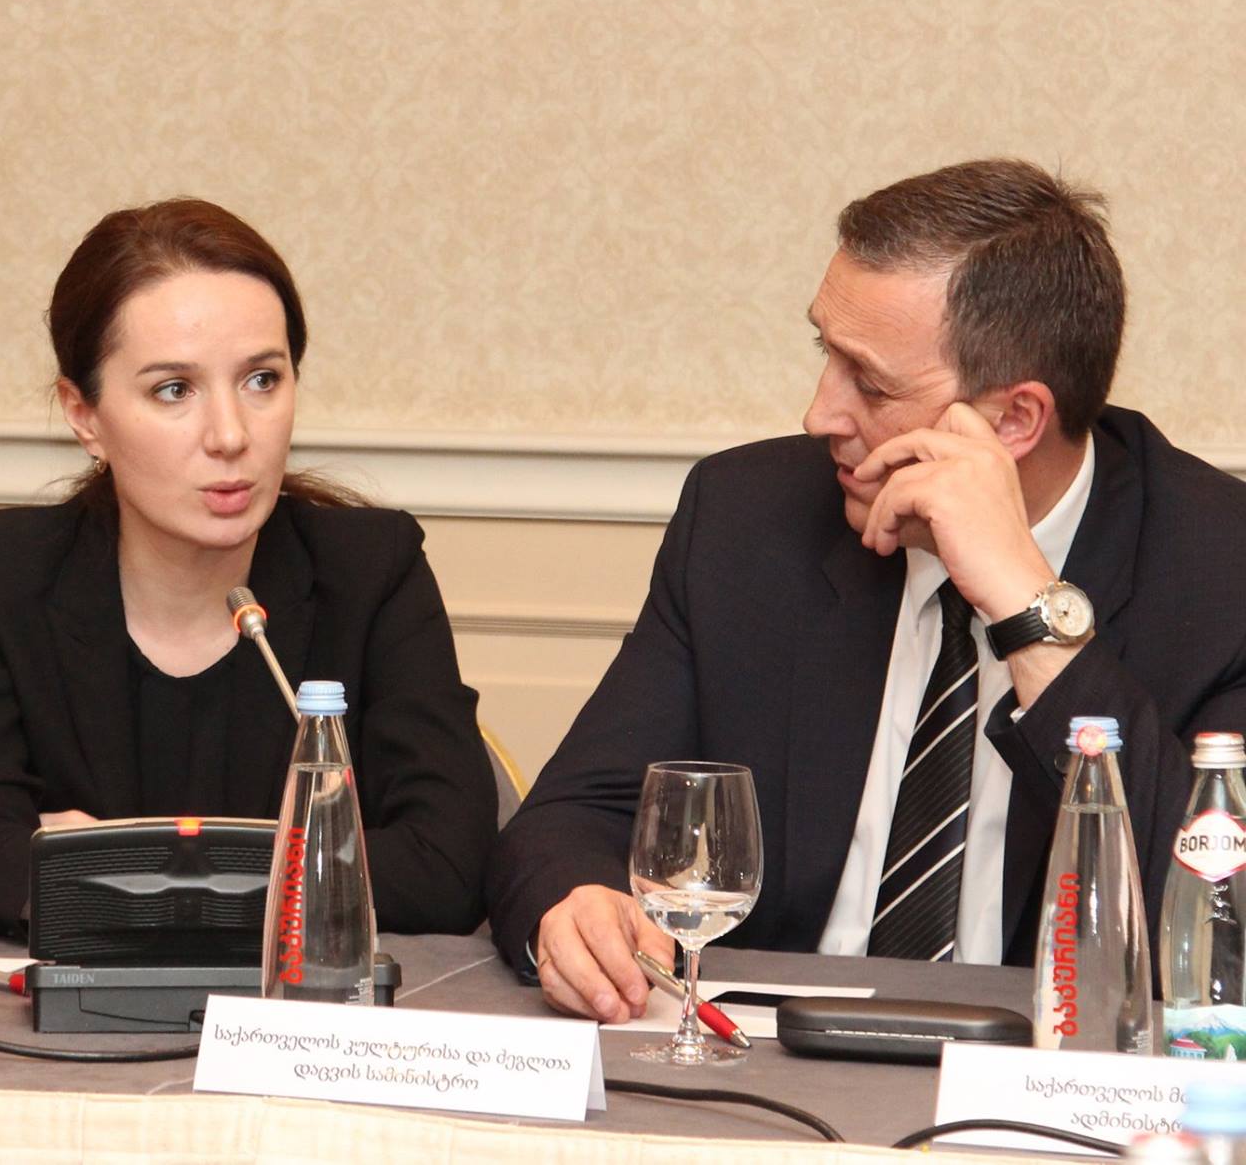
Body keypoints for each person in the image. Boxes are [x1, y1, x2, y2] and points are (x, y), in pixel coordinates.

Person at [489, 159, 1246, 1021]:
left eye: (873, 384)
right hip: (766, 1059)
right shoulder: (749, 518)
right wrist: (576, 903)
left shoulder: (1219, 569)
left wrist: (1027, 607)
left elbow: (1222, 921)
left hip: (1054, 1073)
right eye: (828, 354)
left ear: (1014, 420)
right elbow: (572, 817)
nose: (820, 415)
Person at [0, 198, 496, 938]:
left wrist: (105, 869)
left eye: (262, 380)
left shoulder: (369, 571)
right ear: (84, 415)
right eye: (174, 390)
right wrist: (305, 866)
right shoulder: (2, 573)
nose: (230, 435)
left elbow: (447, 868)